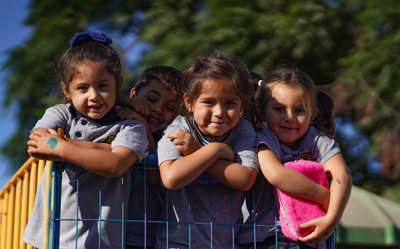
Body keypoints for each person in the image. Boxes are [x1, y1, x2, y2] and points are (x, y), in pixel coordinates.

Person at [23, 32, 149, 249]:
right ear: (66, 91)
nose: (93, 96)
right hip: (51, 235)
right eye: (83, 88)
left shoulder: (131, 127)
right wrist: (102, 149)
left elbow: (116, 164)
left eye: (102, 86)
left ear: (117, 85)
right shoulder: (63, 113)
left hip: (101, 240)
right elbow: (37, 143)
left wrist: (60, 146)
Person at [236, 65, 352, 249]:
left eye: (299, 110)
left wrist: (331, 221)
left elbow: (342, 176)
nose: (290, 117)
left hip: (310, 237)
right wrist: (324, 196)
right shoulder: (263, 137)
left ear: (312, 114)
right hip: (268, 238)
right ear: (261, 111)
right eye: (279, 109)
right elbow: (276, 174)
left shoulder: (316, 140)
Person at [155, 53, 259, 248]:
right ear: (189, 102)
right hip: (176, 244)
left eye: (230, 103)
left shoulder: (242, 131)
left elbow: (245, 179)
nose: (219, 112)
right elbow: (171, 178)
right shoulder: (180, 128)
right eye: (209, 102)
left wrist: (195, 151)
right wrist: (213, 150)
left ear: (242, 105)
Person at [116, 66, 184, 249]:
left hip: (143, 238)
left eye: (170, 108)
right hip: (102, 232)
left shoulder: (172, 139)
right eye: (151, 99)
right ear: (133, 94)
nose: (158, 109)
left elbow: (155, 176)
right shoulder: (114, 122)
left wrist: (143, 126)